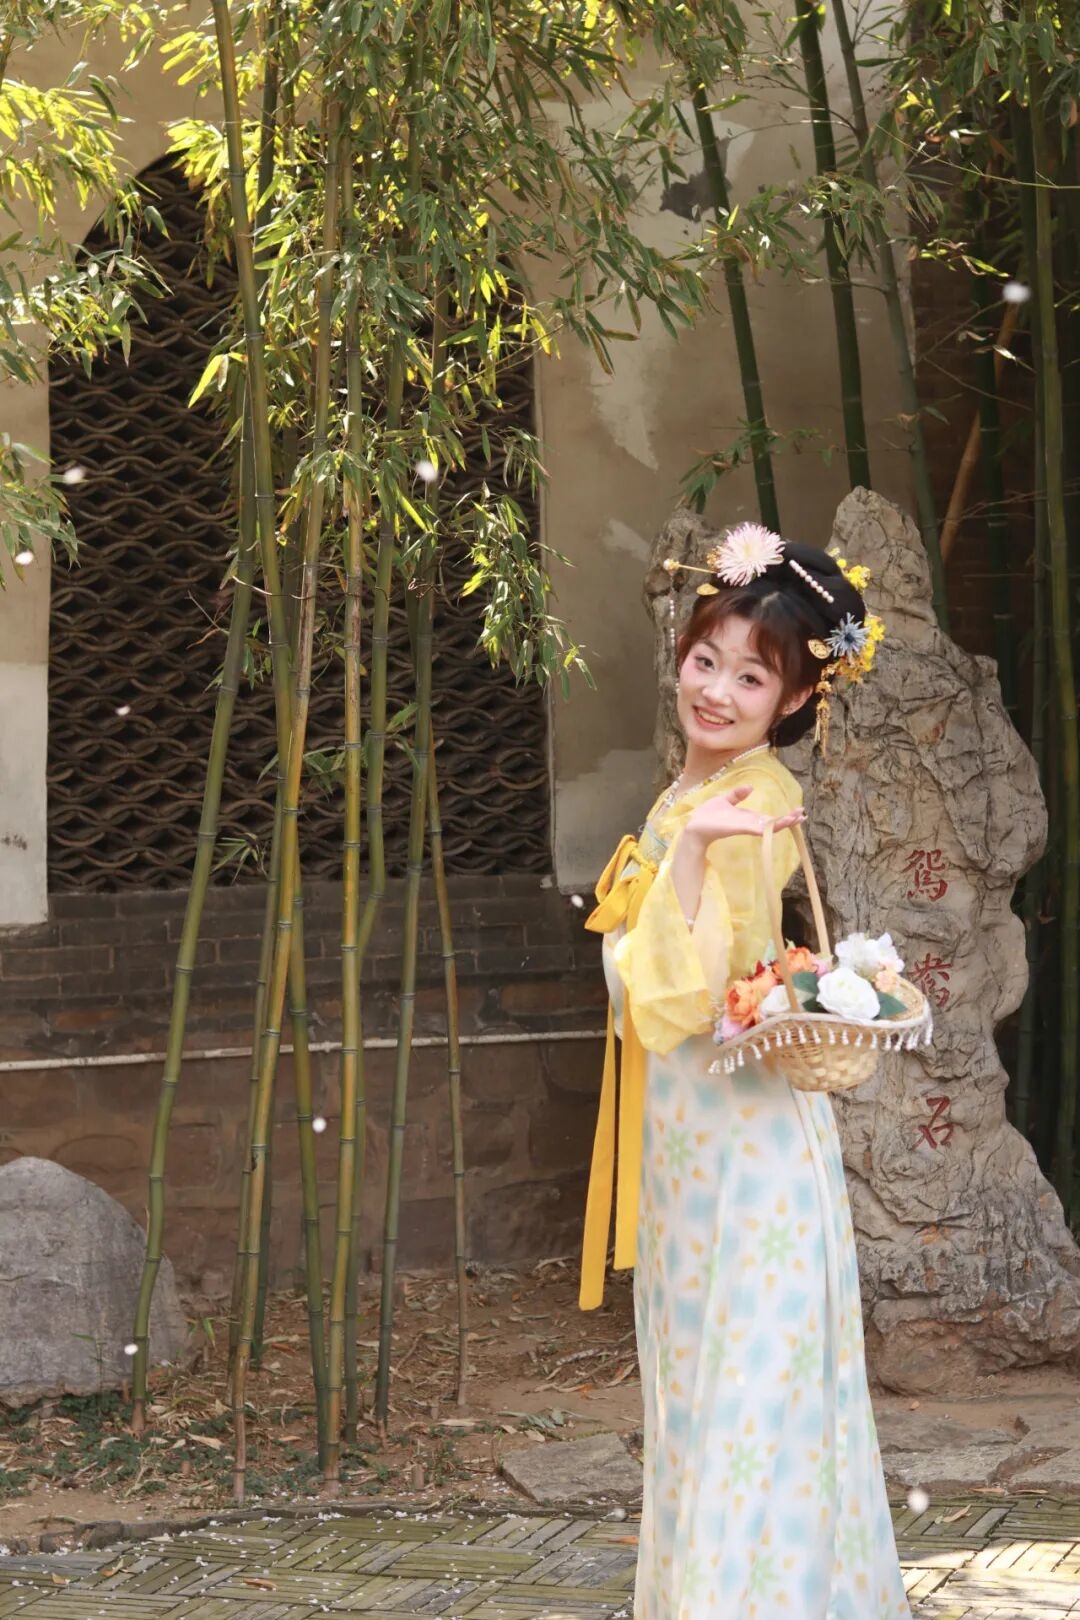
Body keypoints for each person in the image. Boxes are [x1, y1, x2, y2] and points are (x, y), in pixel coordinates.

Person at [579, 525, 909, 1620]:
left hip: (743, 1157)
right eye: (705, 659)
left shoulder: (748, 805)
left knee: (745, 1407)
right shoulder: (701, 788)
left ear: (797, 698)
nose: (715, 690)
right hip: (697, 1148)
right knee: (711, 1393)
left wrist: (683, 859)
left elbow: (676, 1006)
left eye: (752, 677)